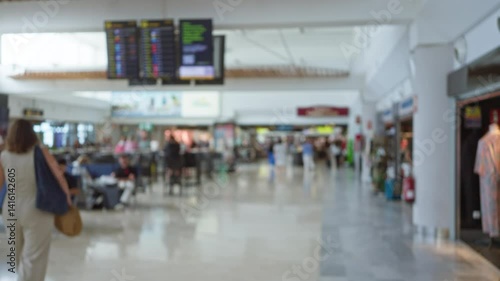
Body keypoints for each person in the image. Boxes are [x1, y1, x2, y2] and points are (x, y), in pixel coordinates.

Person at [0, 119, 71, 281]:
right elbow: (58, 176)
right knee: (34, 257)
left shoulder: (4, 156)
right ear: (31, 134)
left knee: (15, 253)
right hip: (37, 208)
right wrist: (66, 197)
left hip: (10, 208)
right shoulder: (40, 152)